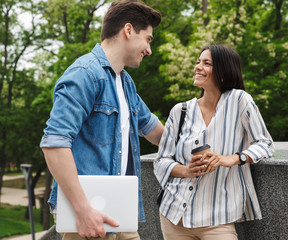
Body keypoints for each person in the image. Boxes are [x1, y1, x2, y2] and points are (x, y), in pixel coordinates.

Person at [40, 1, 163, 239]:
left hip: (120, 209)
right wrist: (83, 209)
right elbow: (54, 145)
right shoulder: (84, 74)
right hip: (89, 211)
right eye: (148, 39)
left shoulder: (125, 83)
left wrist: (204, 149)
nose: (149, 49)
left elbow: (156, 133)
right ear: (128, 31)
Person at [154, 44, 275, 240]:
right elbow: (161, 161)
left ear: (224, 72)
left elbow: (265, 144)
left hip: (218, 218)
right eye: (198, 62)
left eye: (206, 63)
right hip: (175, 216)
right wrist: (186, 170)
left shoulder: (239, 101)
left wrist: (232, 159)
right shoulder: (180, 111)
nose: (198, 67)